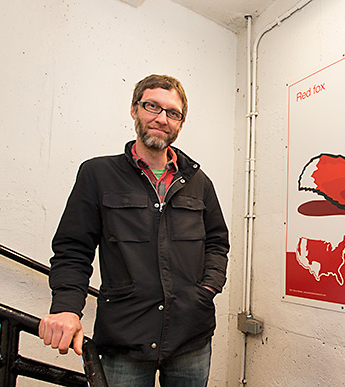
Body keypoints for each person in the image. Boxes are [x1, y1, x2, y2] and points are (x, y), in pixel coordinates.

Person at [38, 74, 229, 386]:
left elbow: (218, 243)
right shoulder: (98, 174)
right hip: (124, 340)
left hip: (191, 336)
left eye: (173, 112)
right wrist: (66, 308)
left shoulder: (198, 181)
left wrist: (207, 289)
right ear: (134, 109)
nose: (161, 118)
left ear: (181, 123)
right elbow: (73, 249)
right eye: (152, 106)